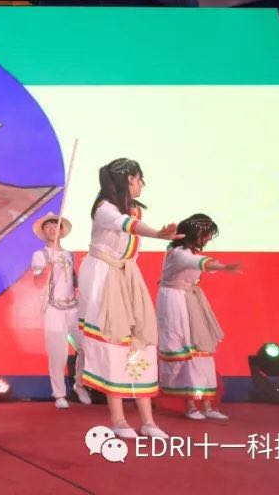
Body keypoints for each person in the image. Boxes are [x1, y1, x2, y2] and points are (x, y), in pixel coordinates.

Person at [77, 158, 181, 440]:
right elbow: (125, 225)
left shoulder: (132, 208)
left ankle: (148, 421)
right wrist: (157, 233)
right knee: (114, 342)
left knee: (140, 340)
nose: (141, 183)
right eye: (138, 178)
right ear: (128, 180)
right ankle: (119, 419)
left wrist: (159, 234)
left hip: (127, 274)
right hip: (104, 276)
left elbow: (131, 224)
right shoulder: (104, 208)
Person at [157, 214, 241, 419]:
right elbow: (194, 261)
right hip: (174, 301)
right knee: (186, 350)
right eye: (207, 234)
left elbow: (196, 260)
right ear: (196, 233)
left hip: (190, 299)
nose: (209, 238)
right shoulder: (177, 253)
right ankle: (190, 406)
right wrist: (222, 267)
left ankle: (208, 405)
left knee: (202, 349)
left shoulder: (187, 252)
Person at [29, 212, 91, 408]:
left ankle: (79, 384)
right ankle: (59, 395)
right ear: (43, 232)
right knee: (58, 354)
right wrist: (47, 268)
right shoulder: (40, 255)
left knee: (86, 348)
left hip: (73, 308)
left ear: (62, 231)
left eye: (55, 226)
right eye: (48, 226)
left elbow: (74, 281)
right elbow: (38, 283)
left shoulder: (70, 254)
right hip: (53, 309)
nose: (52, 229)